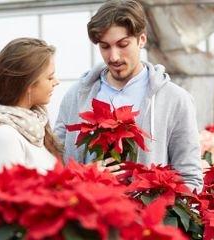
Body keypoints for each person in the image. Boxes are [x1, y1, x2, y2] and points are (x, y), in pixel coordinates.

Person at [54, 0, 203, 192]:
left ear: (141, 39)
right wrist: (83, 176)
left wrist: (162, 212)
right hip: (86, 214)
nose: (114, 57)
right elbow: (55, 161)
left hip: (146, 219)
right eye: (105, 47)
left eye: (122, 44)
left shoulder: (175, 99)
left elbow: (189, 177)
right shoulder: (76, 96)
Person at [0, 37, 62, 182]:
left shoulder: (32, 127)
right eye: (50, 78)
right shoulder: (3, 137)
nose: (56, 82)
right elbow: (20, 200)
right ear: (29, 84)